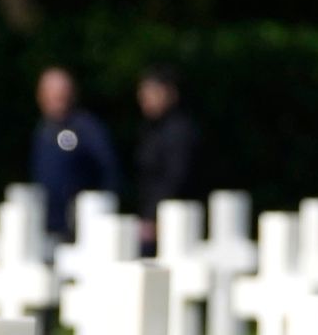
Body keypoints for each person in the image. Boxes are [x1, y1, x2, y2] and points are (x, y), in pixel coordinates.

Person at [28, 64, 123, 237]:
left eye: (61, 91)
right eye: (50, 92)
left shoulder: (87, 128)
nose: (57, 97)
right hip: (47, 225)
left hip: (82, 227)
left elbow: (109, 171)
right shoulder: (42, 130)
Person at [133, 65, 201, 208]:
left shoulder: (179, 130)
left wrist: (153, 214)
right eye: (143, 92)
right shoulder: (149, 129)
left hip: (176, 213)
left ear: (171, 93)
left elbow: (175, 178)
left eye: (153, 91)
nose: (146, 98)